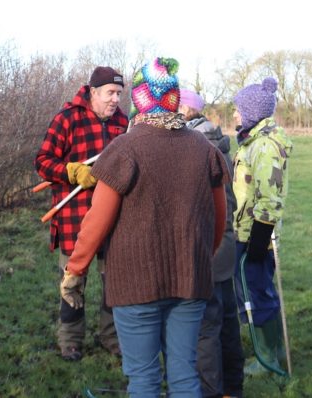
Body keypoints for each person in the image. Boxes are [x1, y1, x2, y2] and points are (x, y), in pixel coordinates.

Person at [63, 57, 229, 397]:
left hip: (135, 283)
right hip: (191, 280)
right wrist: (199, 259)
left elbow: (96, 220)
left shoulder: (124, 149)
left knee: (143, 379)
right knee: (184, 376)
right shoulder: (204, 148)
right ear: (172, 98)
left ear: (139, 99)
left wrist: (75, 269)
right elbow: (218, 218)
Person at [35, 66, 128, 361]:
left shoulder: (124, 125)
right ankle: (71, 340)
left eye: (119, 94)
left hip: (114, 220)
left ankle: (110, 336)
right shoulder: (68, 119)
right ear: (93, 92)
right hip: (74, 219)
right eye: (110, 93)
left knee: (114, 283)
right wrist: (73, 171)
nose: (115, 100)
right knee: (73, 282)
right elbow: (43, 162)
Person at [180, 88, 245, 397]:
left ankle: (210, 391)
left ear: (184, 110)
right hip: (225, 243)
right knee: (227, 320)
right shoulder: (216, 139)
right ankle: (233, 387)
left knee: (206, 329)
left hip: (207, 245)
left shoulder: (196, 146)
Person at [231, 77, 293, 377]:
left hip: (257, 235)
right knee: (255, 291)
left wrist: (258, 241)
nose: (234, 115)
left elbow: (270, 198)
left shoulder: (265, 146)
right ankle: (272, 350)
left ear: (252, 111)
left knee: (259, 293)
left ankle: (269, 358)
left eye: (238, 110)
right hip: (245, 230)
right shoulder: (251, 141)